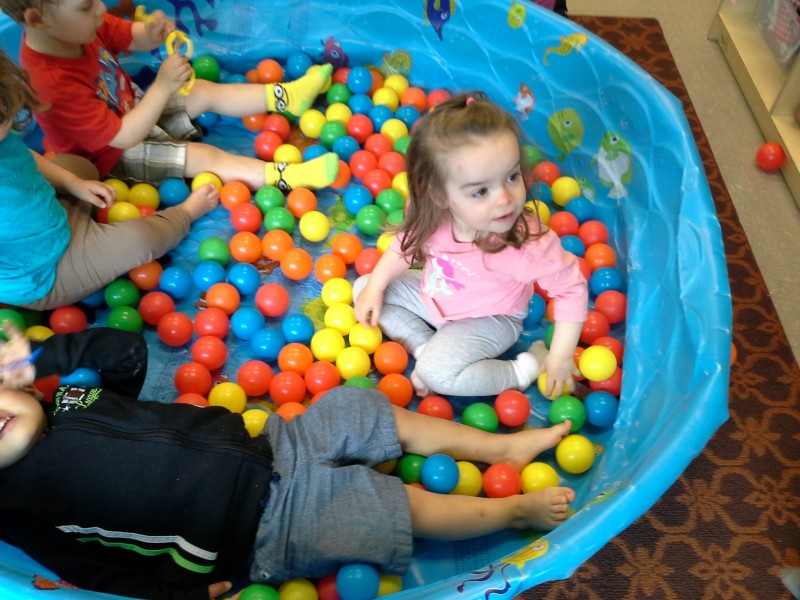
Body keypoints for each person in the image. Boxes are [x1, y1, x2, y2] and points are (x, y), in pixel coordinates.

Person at [0, 320, 575, 599]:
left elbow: (124, 351)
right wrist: (175, 597)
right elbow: (84, 571)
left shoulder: (70, 399)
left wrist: (39, 358)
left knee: (356, 405)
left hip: (275, 445)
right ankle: (513, 511)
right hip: (263, 530)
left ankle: (502, 448)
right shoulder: (19, 502)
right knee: (387, 508)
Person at [354, 92, 588, 399]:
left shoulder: (527, 244)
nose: (504, 199)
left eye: (512, 176)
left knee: (437, 375)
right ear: (440, 195)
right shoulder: (434, 216)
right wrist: (376, 287)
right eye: (480, 191)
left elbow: (571, 288)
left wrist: (560, 356)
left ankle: (524, 368)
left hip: (492, 319)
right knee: (365, 287)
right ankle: (424, 346)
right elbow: (404, 246)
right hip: (436, 297)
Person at [0, 0, 339, 190]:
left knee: (202, 90)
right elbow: (123, 137)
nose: (101, 8)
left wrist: (150, 33)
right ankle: (285, 177)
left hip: (135, 112)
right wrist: (162, 88)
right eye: (87, 6)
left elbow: (130, 37)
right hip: (112, 155)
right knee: (201, 156)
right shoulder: (51, 82)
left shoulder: (79, 28)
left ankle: (288, 96)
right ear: (37, 19)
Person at [0, 49, 219, 310]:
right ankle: (185, 213)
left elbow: (24, 159)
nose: (7, 125)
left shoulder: (4, 138)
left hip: (55, 215)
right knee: (139, 239)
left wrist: (73, 184)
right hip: (47, 273)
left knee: (77, 163)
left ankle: (79, 202)